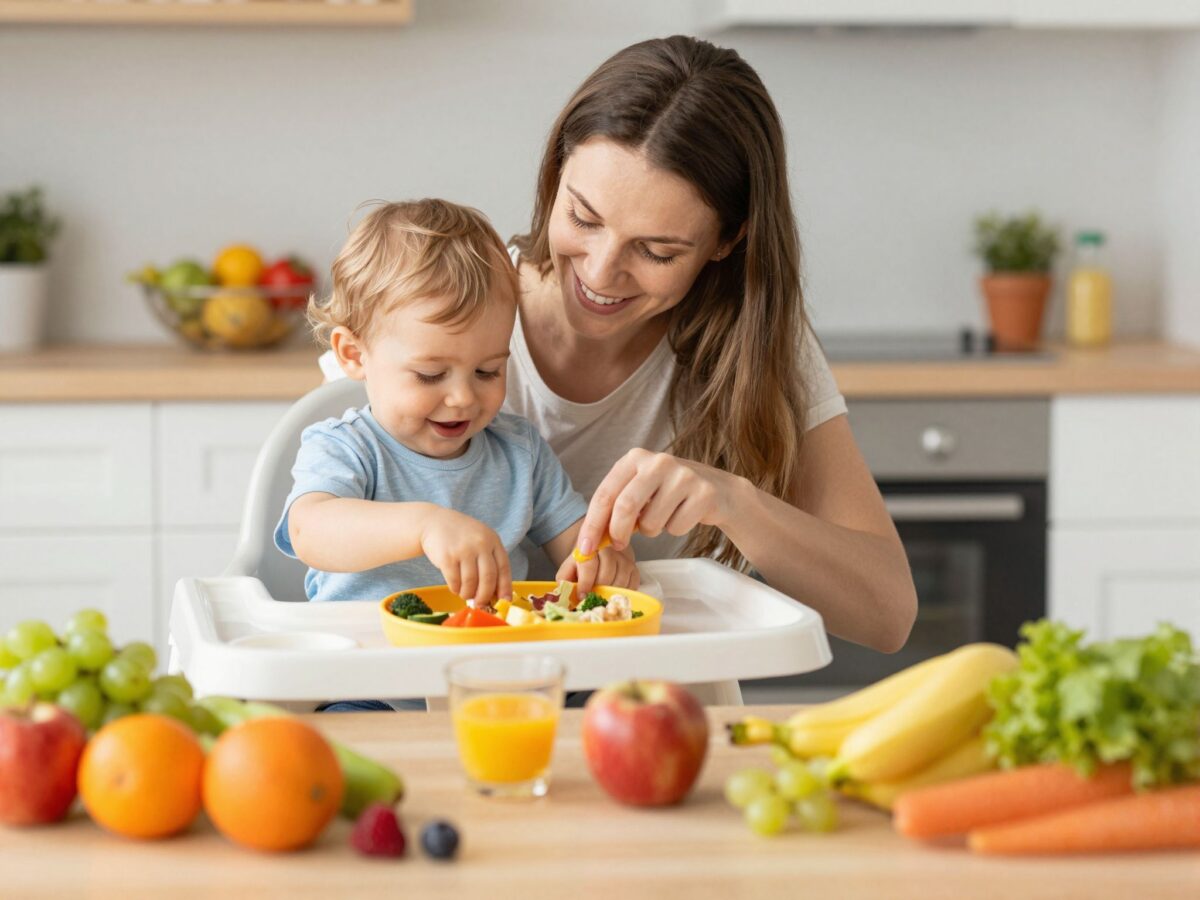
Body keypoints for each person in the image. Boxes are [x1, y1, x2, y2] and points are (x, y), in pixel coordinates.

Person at [321, 35, 916, 655]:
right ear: (555, 176)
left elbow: (887, 616)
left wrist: (734, 502)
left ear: (727, 240)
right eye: (582, 218)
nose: (601, 274)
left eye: (657, 251)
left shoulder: (756, 348)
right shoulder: (445, 301)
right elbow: (324, 535)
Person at [276, 198, 639, 612]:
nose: (464, 398)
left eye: (487, 372)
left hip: (487, 659)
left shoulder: (519, 451)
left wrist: (599, 560)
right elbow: (310, 531)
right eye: (430, 375)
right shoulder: (345, 447)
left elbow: (576, 540)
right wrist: (425, 526)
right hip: (365, 661)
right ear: (354, 355)